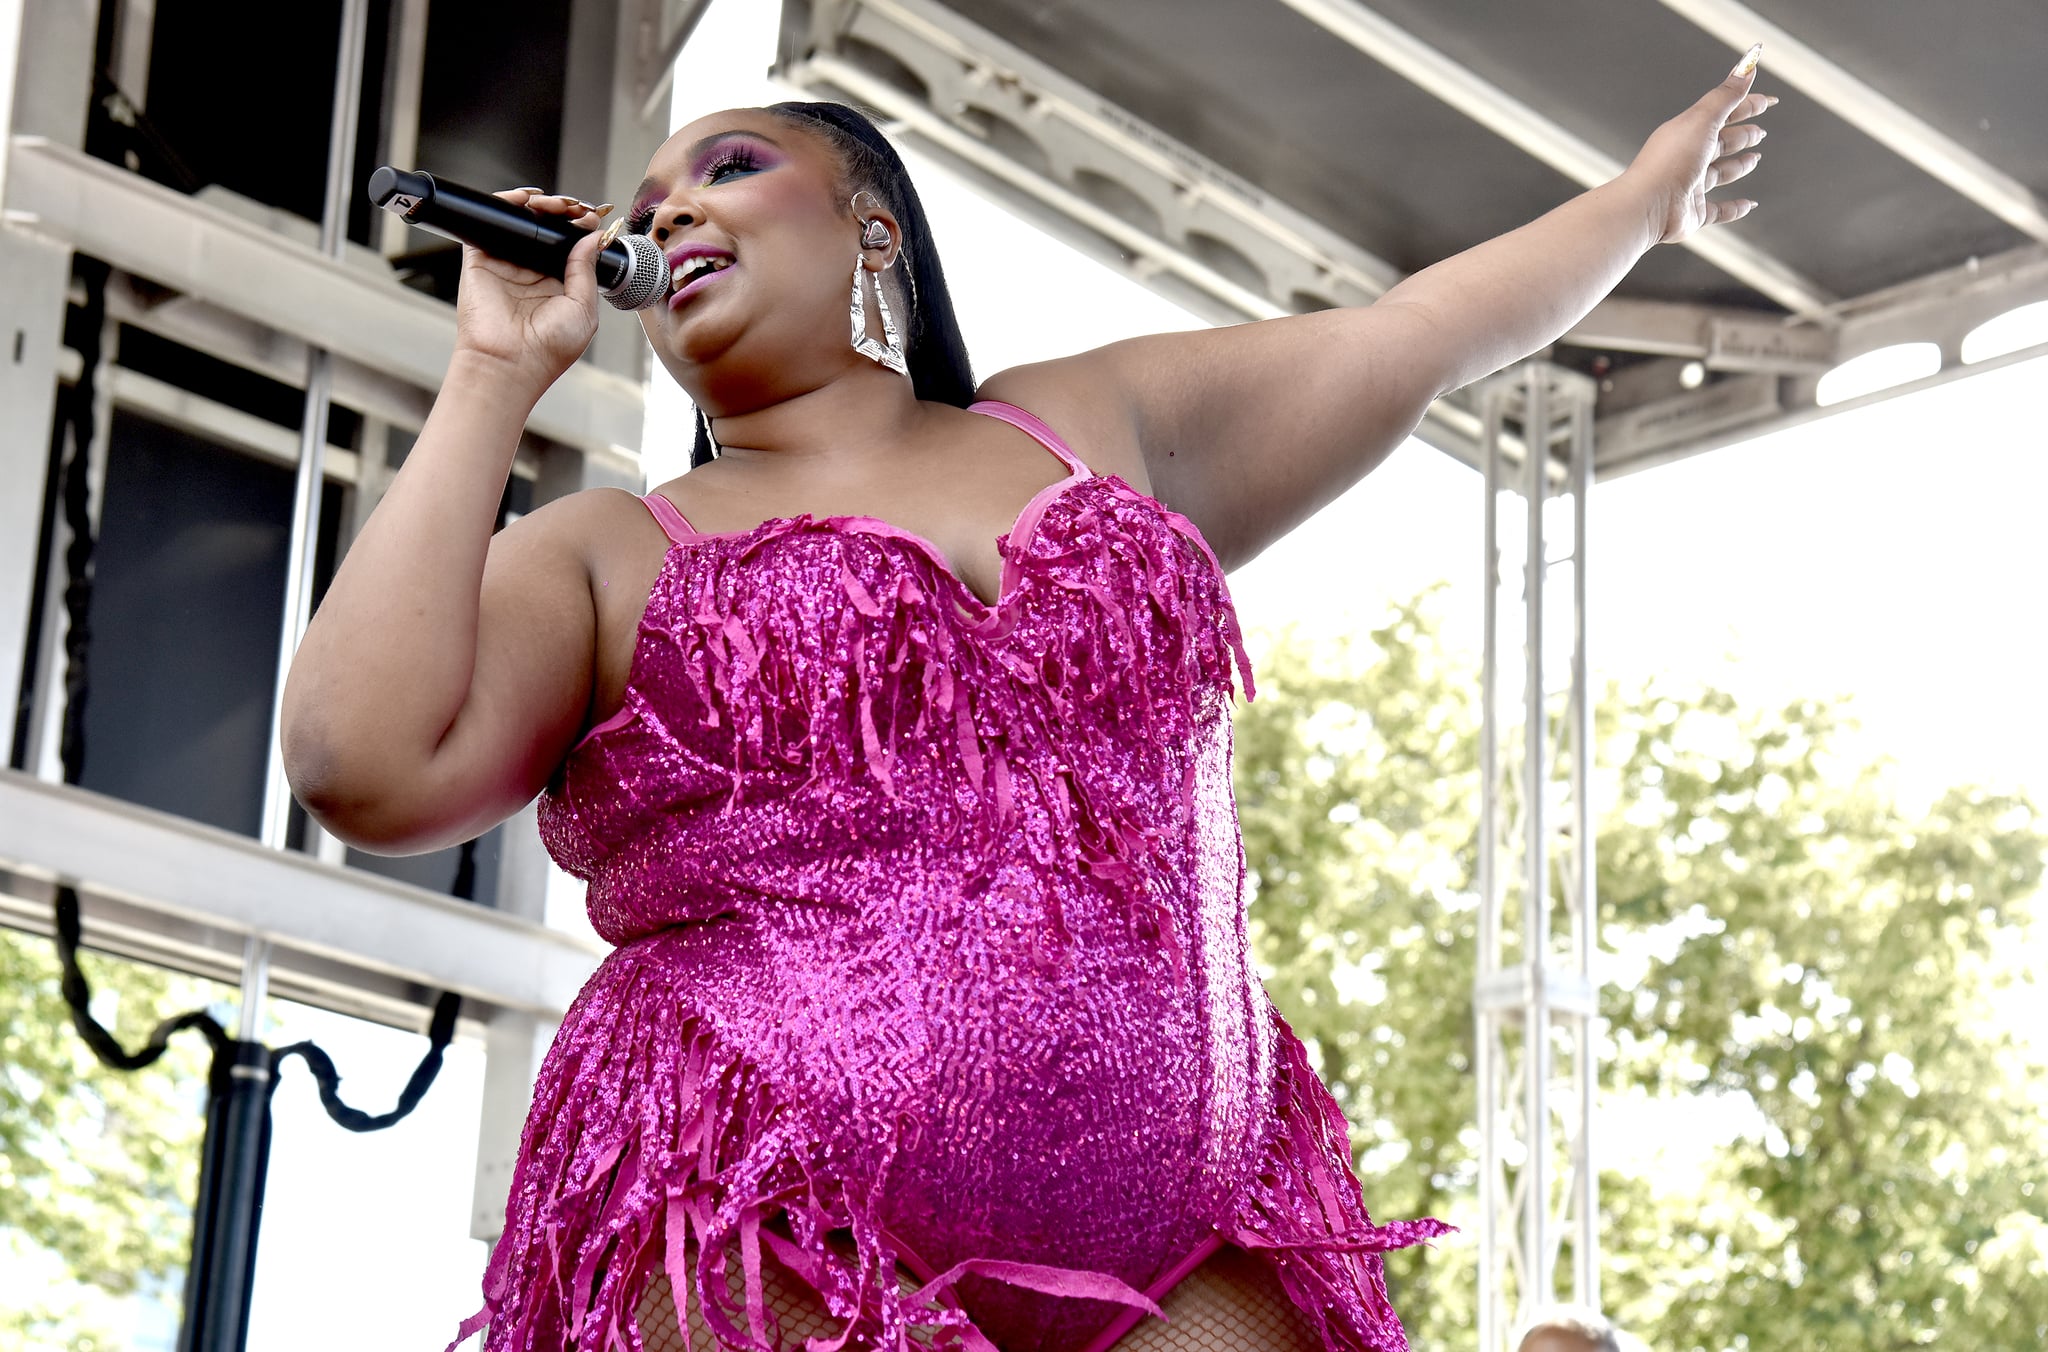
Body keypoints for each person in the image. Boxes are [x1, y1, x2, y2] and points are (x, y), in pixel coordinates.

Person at [282, 44, 1775, 1352]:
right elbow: (361, 759)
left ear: (876, 229)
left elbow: (1422, 333)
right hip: (752, 1194)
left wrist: (1646, 198)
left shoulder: (1085, 425)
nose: (666, 205)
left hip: (1185, 1220)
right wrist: (493, 369)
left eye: (727, 166)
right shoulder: (613, 546)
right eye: (650, 192)